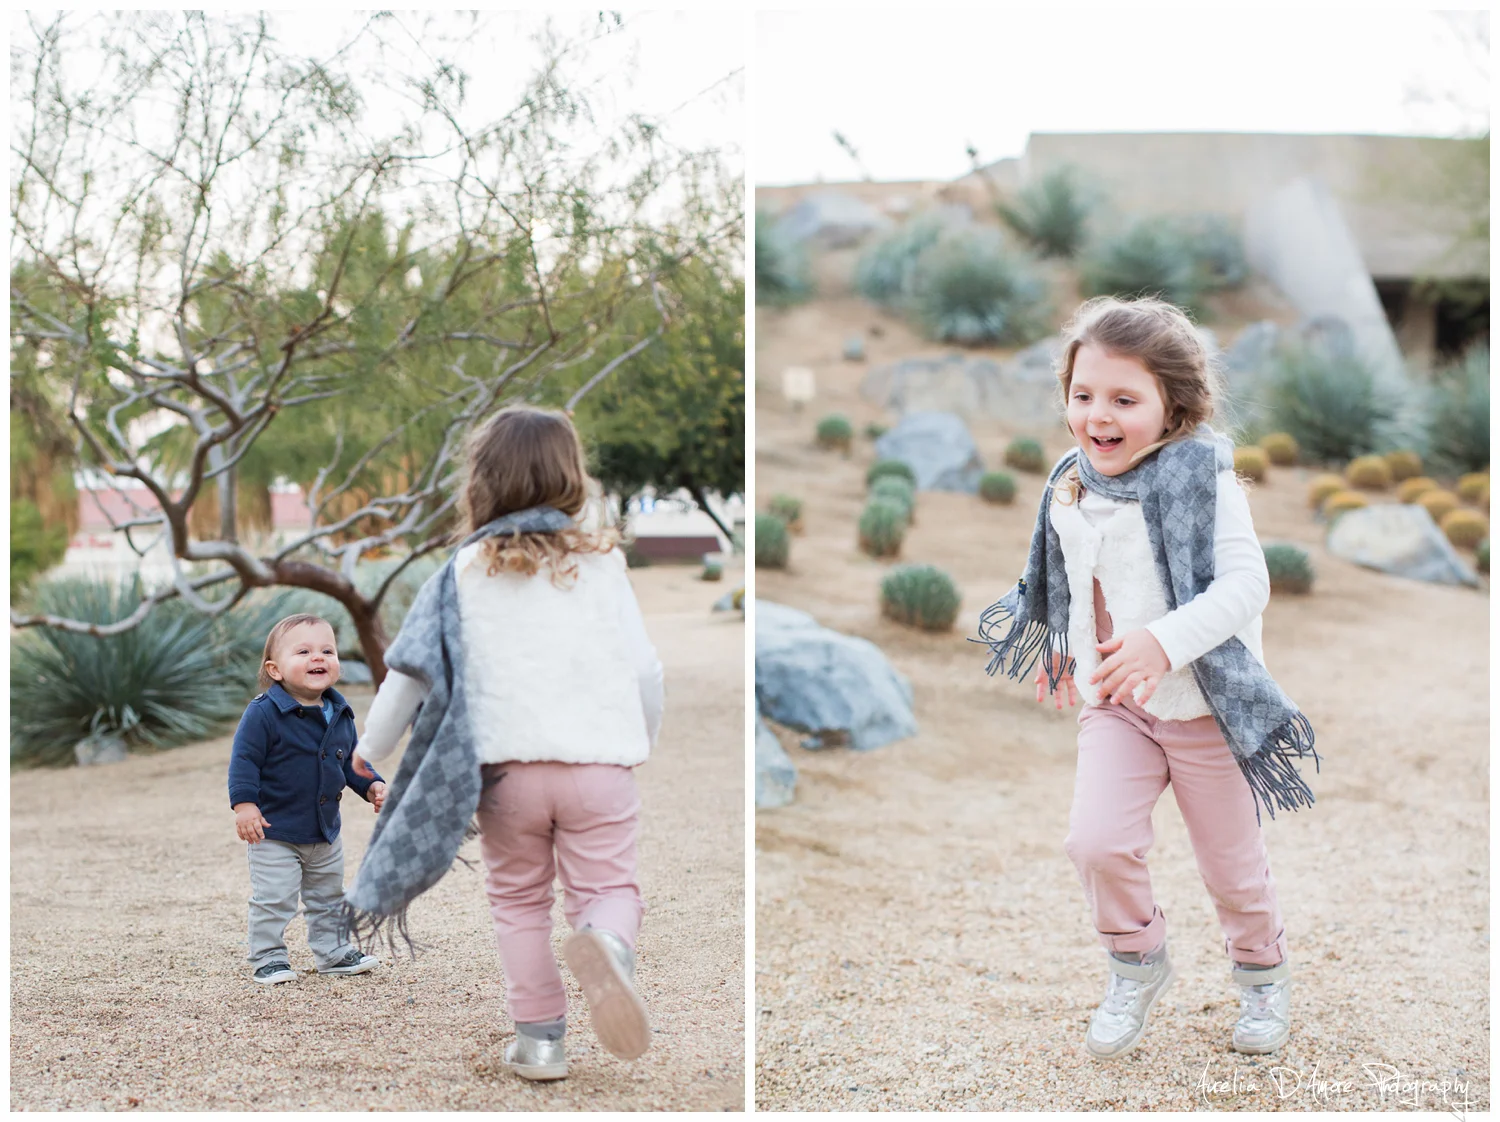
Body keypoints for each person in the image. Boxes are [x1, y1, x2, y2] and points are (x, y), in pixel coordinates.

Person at [976, 296, 1319, 1060]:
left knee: (1231, 870)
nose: (1099, 415)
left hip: (1205, 708)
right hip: (1119, 706)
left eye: (1125, 399)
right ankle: (1137, 962)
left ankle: (1263, 979)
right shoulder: (1070, 485)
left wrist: (1164, 643)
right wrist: (1069, 652)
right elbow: (1076, 580)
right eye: (1084, 395)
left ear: (1174, 408)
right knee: (1094, 842)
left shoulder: (1207, 482)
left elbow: (1244, 589)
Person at [348, 404, 664, 1082]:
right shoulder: (603, 566)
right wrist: (640, 738)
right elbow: (644, 669)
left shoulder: (462, 572)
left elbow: (408, 673)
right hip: (599, 766)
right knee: (608, 886)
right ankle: (607, 943)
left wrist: (369, 749)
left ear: (482, 482)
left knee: (519, 903)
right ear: (571, 478)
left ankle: (541, 1041)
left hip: (505, 776)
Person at [228, 614, 387, 985]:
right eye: (303, 651)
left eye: (327, 650)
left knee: (330, 896)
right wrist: (245, 805)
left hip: (324, 831)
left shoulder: (340, 712)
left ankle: (333, 953)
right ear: (275, 669)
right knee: (275, 897)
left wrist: (372, 786)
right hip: (275, 831)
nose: (318, 657)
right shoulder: (263, 713)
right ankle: (268, 957)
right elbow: (244, 760)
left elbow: (350, 759)